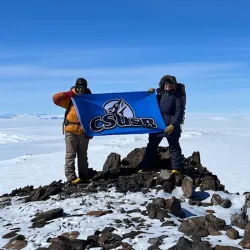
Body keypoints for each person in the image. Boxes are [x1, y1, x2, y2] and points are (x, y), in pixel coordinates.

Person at [140, 75, 184, 174]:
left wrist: (172, 125)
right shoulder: (160, 95)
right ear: (163, 85)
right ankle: (145, 166)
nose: (167, 86)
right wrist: (150, 94)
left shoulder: (177, 97)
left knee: (174, 147)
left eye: (169, 84)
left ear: (173, 85)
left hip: (170, 126)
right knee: (151, 145)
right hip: (158, 125)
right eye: (166, 84)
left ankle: (176, 168)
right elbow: (152, 102)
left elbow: (179, 113)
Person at [53, 78, 92, 184]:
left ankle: (84, 176)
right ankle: (71, 178)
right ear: (75, 87)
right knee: (70, 154)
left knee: (83, 155)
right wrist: (69, 94)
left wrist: (90, 131)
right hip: (71, 130)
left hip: (84, 132)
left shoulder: (89, 100)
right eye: (79, 88)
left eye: (82, 88)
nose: (81, 90)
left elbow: (92, 116)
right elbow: (55, 99)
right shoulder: (70, 98)